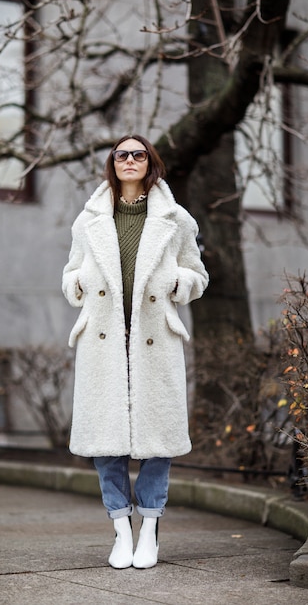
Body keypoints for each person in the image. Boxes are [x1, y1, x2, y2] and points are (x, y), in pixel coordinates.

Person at [62, 135, 209, 569]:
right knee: (105, 444)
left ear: (150, 163)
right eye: (121, 154)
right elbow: (70, 273)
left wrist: (176, 283)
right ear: (113, 163)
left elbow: (198, 276)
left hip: (153, 339)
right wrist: (78, 284)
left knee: (157, 442)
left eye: (138, 154)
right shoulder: (87, 220)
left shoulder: (176, 219)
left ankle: (149, 528)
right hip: (102, 341)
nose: (129, 160)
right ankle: (120, 528)